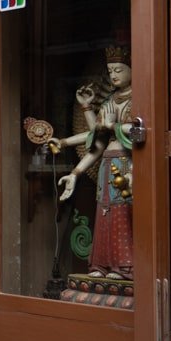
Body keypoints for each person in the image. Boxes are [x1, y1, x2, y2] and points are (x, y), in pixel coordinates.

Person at [48, 45, 134, 279]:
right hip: (106, 165)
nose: (114, 75)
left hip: (128, 166)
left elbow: (140, 132)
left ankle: (124, 266)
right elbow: (96, 138)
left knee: (121, 213)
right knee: (104, 212)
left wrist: (113, 126)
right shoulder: (108, 101)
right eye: (110, 71)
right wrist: (75, 173)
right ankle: (102, 265)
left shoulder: (139, 99)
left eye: (118, 70)